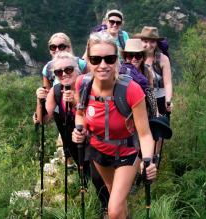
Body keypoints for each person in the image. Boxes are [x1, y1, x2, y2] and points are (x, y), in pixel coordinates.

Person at [72, 32, 157, 219]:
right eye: (96, 59)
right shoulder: (82, 84)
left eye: (109, 59)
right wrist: (78, 129)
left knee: (113, 210)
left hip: (126, 153)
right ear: (89, 60)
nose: (103, 65)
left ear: (116, 60)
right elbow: (79, 114)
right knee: (115, 201)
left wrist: (149, 160)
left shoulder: (131, 90)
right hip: (98, 151)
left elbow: (144, 134)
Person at [35, 51, 110, 215]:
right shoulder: (56, 91)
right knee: (89, 174)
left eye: (68, 70)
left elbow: (99, 114)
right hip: (73, 143)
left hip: (94, 139)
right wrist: (39, 101)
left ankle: (109, 208)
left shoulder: (91, 85)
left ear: (77, 69)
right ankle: (106, 203)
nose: (63, 74)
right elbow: (44, 119)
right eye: (58, 72)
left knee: (98, 175)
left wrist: (76, 102)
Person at [134, 26, 173, 118]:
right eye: (145, 41)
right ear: (141, 41)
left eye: (152, 41)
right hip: (141, 101)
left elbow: (167, 83)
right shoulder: (135, 59)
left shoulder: (163, 59)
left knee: (161, 130)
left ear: (156, 43)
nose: (149, 45)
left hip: (161, 100)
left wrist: (168, 101)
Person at [121, 38, 158, 119]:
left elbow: (151, 94)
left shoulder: (147, 71)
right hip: (125, 113)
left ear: (142, 57)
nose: (134, 59)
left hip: (144, 112)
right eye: (130, 56)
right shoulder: (120, 72)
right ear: (125, 57)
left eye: (137, 56)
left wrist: (156, 114)